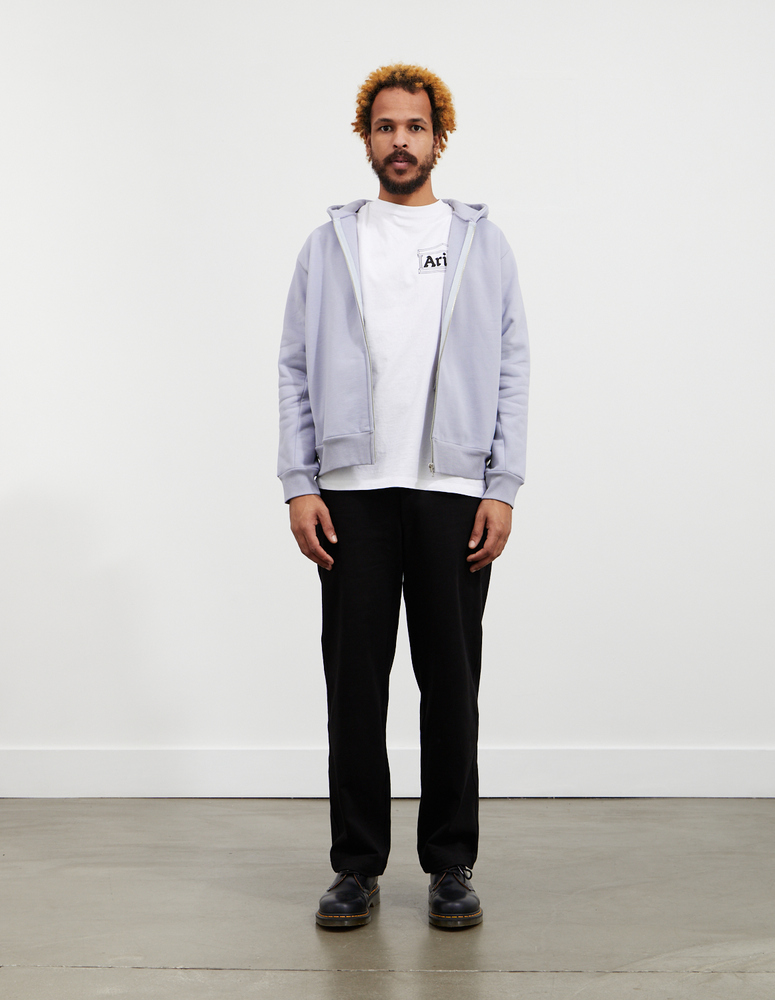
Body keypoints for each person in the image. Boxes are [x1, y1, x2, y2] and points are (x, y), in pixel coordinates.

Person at [278, 64, 529, 929]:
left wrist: (502, 485)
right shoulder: (328, 245)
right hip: (351, 493)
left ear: (438, 137)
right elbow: (294, 370)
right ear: (367, 137)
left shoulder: (480, 243)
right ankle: (356, 867)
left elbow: (512, 368)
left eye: (414, 127)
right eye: (385, 126)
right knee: (355, 687)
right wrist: (299, 482)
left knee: (450, 685)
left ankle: (451, 863)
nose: (400, 141)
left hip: (452, 491)